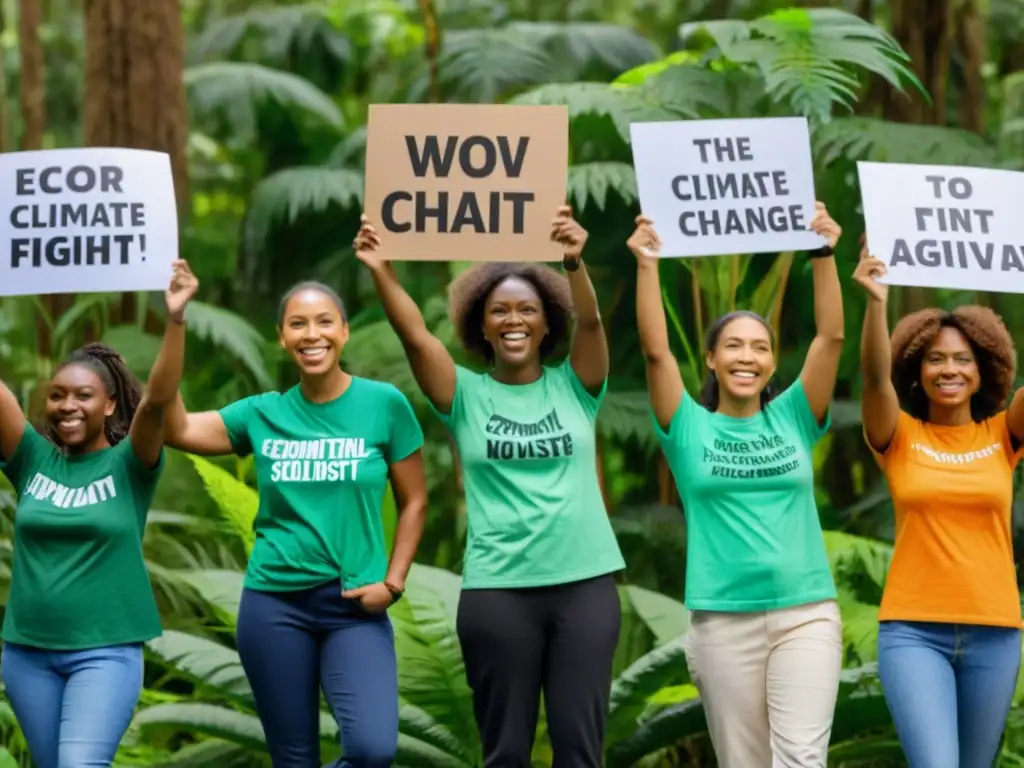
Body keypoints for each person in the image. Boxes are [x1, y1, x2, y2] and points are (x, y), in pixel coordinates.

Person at [353, 205, 626, 767]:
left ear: (549, 321)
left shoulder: (578, 387)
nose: (514, 320)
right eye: (500, 310)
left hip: (585, 588)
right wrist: (381, 269)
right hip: (498, 591)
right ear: (482, 324)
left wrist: (574, 263)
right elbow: (414, 336)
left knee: (580, 748)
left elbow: (594, 326)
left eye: (527, 309)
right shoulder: (465, 396)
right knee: (504, 753)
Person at [161, 277, 427, 767]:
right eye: (298, 325)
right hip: (273, 606)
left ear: (344, 331)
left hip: (355, 606)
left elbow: (415, 502)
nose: (312, 334)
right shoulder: (262, 414)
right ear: (282, 338)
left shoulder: (384, 404)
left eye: (325, 322)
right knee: (293, 757)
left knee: (372, 751)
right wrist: (176, 321)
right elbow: (173, 427)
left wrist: (393, 583)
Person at [631, 203, 846, 768]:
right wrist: (648, 265)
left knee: (800, 758)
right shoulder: (687, 426)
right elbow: (656, 352)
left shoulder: (796, 414)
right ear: (710, 359)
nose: (746, 356)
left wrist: (823, 253)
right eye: (733, 346)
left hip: (806, 614)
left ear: (773, 364)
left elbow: (830, 338)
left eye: (759, 347)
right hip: (723, 622)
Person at [0, 260, 198, 768]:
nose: (68, 405)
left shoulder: (130, 464)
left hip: (104, 654)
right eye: (58, 395)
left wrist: (175, 321)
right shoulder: (30, 458)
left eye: (83, 396)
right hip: (26, 654)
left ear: (109, 405)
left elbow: (156, 403)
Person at [854, 246, 1024, 767]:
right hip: (913, 632)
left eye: (962, 359)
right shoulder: (899, 434)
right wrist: (876, 304)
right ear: (917, 367)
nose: (948, 369)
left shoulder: (1003, 436)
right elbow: (874, 380)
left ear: (984, 369)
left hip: (995, 632)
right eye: (935, 358)